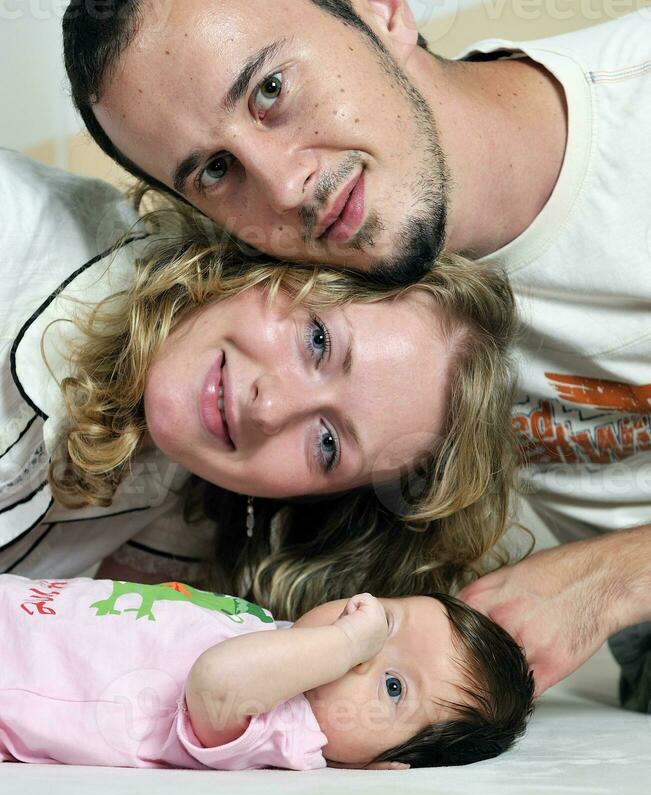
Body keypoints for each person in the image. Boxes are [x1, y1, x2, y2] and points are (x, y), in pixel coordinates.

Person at [61, 1, 651, 692]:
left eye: (270, 90)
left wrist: (614, 576)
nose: (284, 186)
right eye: (216, 171)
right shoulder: (318, 295)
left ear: (383, 13)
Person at [0, 149, 518, 618]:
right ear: (279, 262)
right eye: (318, 342)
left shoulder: (186, 489)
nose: (270, 409)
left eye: (328, 443)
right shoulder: (16, 233)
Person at [0, 576, 534, 770]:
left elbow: (214, 685)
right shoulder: (269, 627)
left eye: (393, 687)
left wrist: (345, 640)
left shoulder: (289, 727)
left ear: (385, 765)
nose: (366, 648)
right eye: (384, 621)